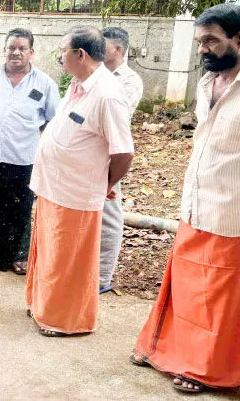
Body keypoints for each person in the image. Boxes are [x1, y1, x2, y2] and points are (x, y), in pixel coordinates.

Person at [132, 4, 240, 394]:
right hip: (195, 206)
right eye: (199, 42)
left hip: (236, 215)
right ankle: (174, 353)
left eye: (210, 41)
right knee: (188, 289)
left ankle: (206, 370)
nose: (201, 50)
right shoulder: (206, 84)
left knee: (221, 300)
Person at [25, 26, 134, 336]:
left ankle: (64, 320)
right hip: (53, 187)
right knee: (49, 252)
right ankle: (44, 306)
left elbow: (123, 152)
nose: (60, 57)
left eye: (63, 51)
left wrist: (105, 185)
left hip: (77, 192)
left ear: (80, 55)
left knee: (67, 260)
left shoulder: (108, 94)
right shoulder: (78, 85)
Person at [0, 28, 59, 274]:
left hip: (24, 157)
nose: (16, 53)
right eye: (11, 48)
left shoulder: (44, 83)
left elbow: (54, 121)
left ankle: (18, 257)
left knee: (18, 208)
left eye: (22, 48)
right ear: (5, 50)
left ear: (31, 52)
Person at [97, 27, 143, 293]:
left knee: (109, 214)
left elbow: (114, 118)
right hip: (87, 153)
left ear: (117, 50)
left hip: (111, 153)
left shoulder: (129, 80)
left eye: (103, 47)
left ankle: (103, 278)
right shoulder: (95, 74)